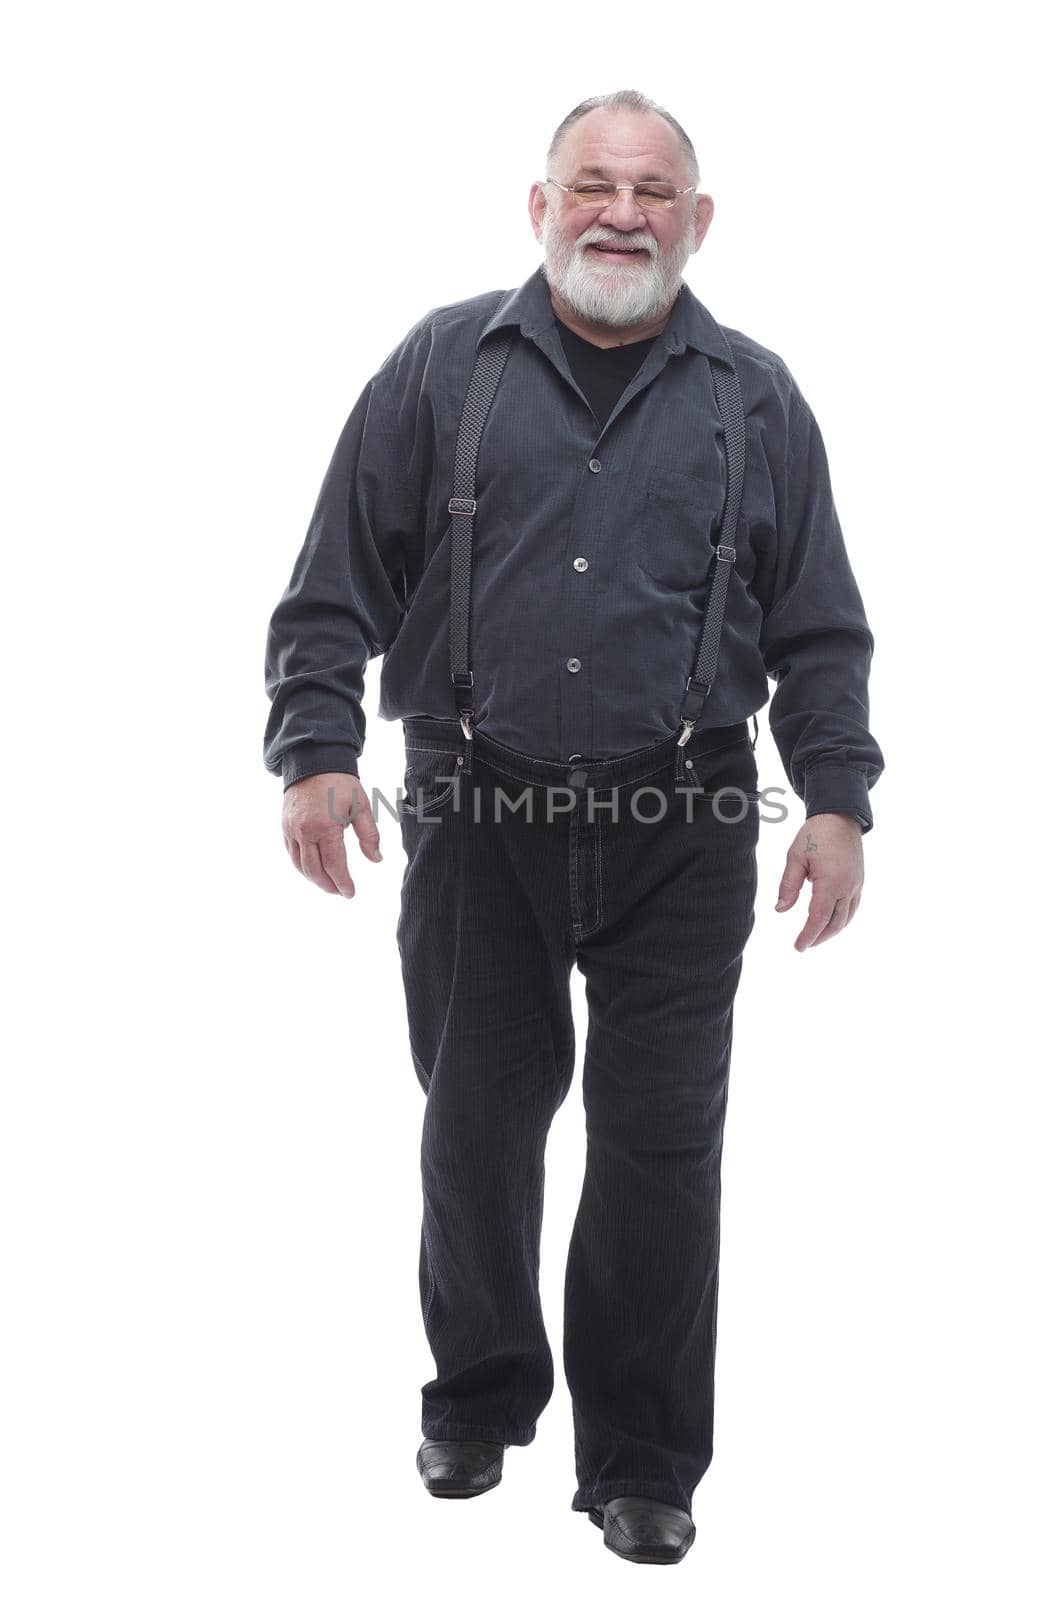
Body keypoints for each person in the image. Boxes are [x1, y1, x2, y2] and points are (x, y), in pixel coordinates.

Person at [263, 88, 884, 1566]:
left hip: (689, 810)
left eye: (655, 190)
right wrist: (315, 752)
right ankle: (478, 1395)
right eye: (592, 184)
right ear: (537, 206)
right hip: (478, 802)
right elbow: (332, 581)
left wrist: (841, 797)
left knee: (662, 1141)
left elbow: (820, 628)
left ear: (699, 220)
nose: (622, 212)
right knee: (477, 1126)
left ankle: (645, 1458)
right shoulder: (443, 367)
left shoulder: (756, 396)